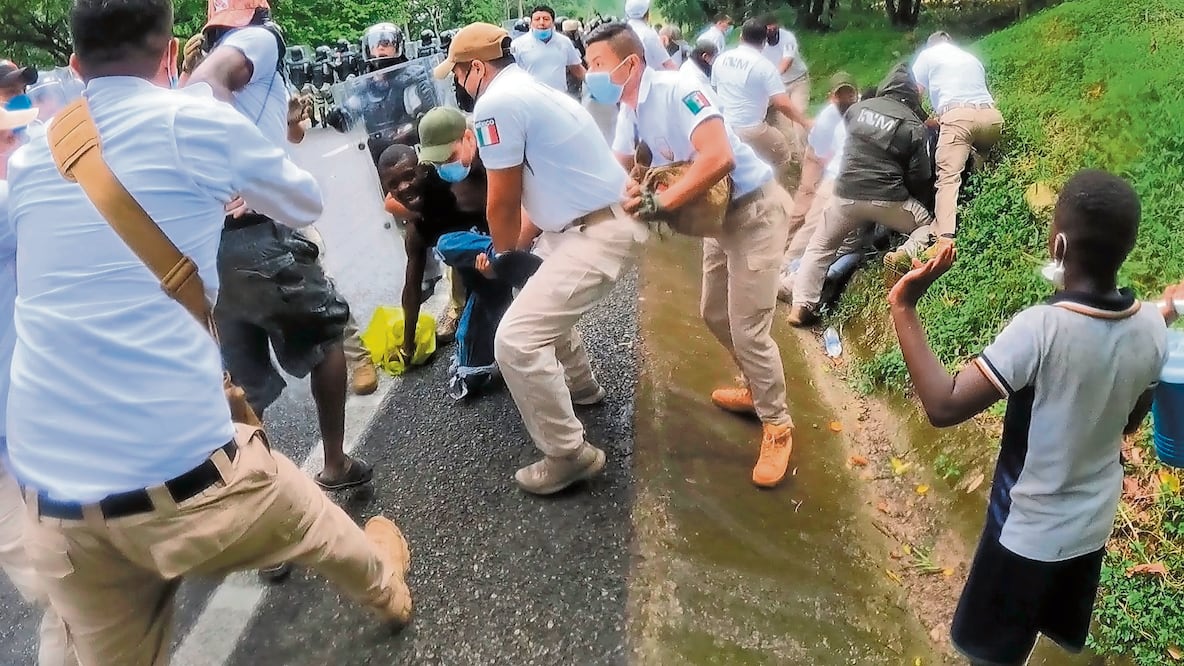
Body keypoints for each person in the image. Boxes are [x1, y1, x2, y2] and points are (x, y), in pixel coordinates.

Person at [4, 1, 413, 662]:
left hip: (52, 501)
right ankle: (387, 588)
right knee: (319, 523)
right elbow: (304, 201)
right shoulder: (191, 118)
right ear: (170, 53)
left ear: (75, 67)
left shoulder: (29, 160)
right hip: (184, 482)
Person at [887, 170, 1166, 666]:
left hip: (1024, 535)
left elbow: (945, 404)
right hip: (1090, 529)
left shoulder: (1041, 329)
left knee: (993, 652)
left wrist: (904, 307)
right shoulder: (1152, 328)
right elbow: (1129, 423)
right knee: (1033, 627)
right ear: (1127, 246)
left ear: (1058, 244)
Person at [435, 23, 649, 495]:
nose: (458, 84)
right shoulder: (529, 88)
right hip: (590, 221)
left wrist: (503, 257)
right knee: (536, 299)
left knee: (515, 340)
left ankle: (569, 454)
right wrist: (510, 251)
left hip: (596, 231)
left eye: (459, 73)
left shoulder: (494, 105)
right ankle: (581, 388)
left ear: (476, 69)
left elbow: (502, 202)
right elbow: (534, 203)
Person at [587, 22, 797, 487]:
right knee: (713, 313)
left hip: (753, 211)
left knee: (748, 328)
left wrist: (661, 202)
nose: (589, 73)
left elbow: (718, 156)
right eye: (588, 65)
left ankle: (778, 425)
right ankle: (755, 388)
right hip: (714, 217)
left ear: (630, 64)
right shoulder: (630, 108)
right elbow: (617, 167)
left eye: (597, 64)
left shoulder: (679, 88)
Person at [189, 0, 373, 492]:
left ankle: (266, 505)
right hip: (261, 235)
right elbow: (206, 85)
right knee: (326, 339)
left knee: (244, 384)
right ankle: (335, 464)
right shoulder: (260, 40)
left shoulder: (219, 65)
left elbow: (285, 131)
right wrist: (245, 169)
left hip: (212, 248)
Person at [0, 104, 76, 666]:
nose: (15, 145)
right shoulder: (12, 203)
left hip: (33, 433)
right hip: (27, 441)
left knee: (70, 597)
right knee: (70, 594)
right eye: (6, 136)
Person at [789, 63, 934, 327]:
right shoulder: (914, 125)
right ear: (912, 95)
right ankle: (904, 253)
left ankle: (801, 306)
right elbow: (920, 176)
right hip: (887, 200)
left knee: (820, 246)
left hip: (844, 194)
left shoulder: (856, 110)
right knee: (926, 225)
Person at [416, 107, 543, 398]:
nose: (444, 166)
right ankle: (498, 261)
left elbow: (531, 207)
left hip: (520, 240)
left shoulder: (498, 155)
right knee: (471, 375)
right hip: (483, 258)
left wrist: (507, 256)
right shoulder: (439, 179)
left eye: (448, 157)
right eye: (438, 161)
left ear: (469, 138)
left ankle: (502, 260)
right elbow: (441, 234)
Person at [912, 31, 1004, 251]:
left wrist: (927, 120)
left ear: (931, 45)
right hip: (992, 120)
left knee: (947, 179)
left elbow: (914, 94)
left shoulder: (927, 55)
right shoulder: (970, 57)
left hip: (958, 118)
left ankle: (945, 238)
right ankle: (981, 183)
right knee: (976, 149)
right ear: (950, 42)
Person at [780, 71, 859, 300]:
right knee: (805, 212)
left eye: (849, 92)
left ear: (856, 93)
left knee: (817, 221)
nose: (845, 97)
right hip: (818, 156)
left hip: (838, 167)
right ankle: (782, 260)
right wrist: (825, 182)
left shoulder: (859, 111)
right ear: (831, 97)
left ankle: (790, 264)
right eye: (840, 94)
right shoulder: (828, 118)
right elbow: (823, 154)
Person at [710, 19, 811, 193]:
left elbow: (715, 88)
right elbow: (781, 103)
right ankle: (773, 193)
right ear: (764, 42)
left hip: (724, 125)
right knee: (782, 154)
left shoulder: (721, 59)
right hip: (751, 128)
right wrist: (805, 121)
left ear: (741, 36)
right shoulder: (764, 66)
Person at [760, 14, 809, 151]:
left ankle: (805, 154)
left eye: (772, 27)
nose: (770, 31)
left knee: (798, 117)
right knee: (784, 124)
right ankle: (793, 156)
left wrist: (772, 77)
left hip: (797, 81)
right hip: (778, 85)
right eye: (767, 28)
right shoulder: (760, 41)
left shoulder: (788, 38)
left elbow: (787, 61)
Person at [511, 5, 586, 92]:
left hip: (559, 97)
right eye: (537, 19)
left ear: (553, 23)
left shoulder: (564, 42)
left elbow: (576, 68)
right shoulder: (518, 44)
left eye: (546, 19)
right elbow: (511, 73)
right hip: (531, 98)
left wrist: (592, 83)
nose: (541, 23)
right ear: (531, 23)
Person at [623, 0, 676, 71]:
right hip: (652, 79)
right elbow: (668, 65)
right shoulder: (648, 34)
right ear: (646, 13)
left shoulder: (621, 32)